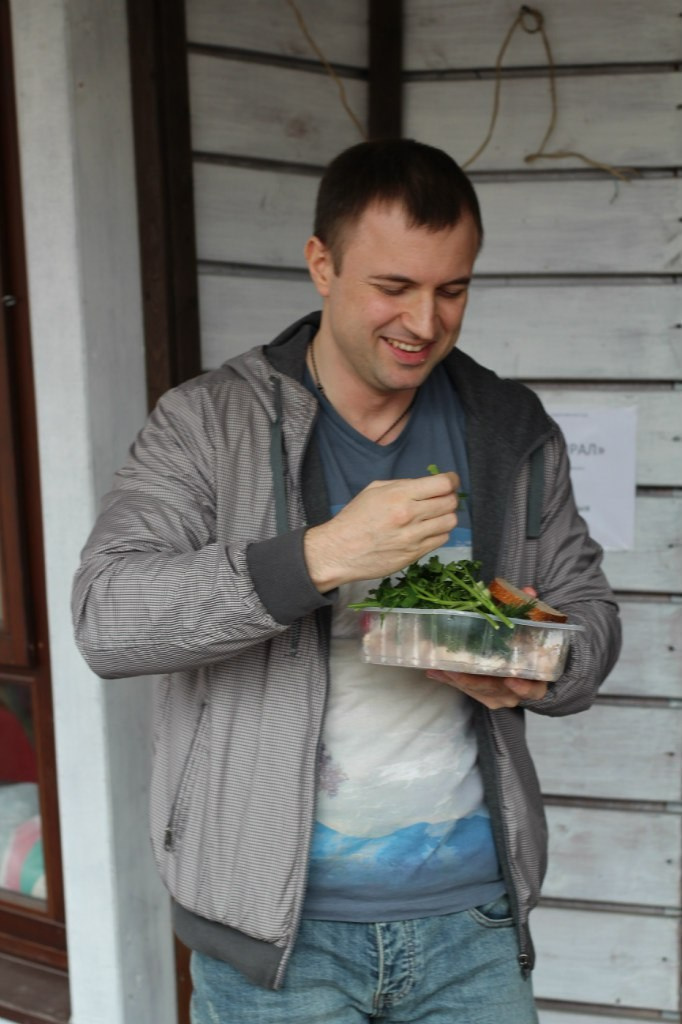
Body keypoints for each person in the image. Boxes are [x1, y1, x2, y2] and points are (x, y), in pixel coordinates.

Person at [72, 139, 621, 1023]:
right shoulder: (207, 422)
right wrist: (321, 555)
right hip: (274, 940)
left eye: (452, 289)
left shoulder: (508, 425)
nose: (425, 322)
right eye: (393, 287)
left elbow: (589, 615)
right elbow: (108, 616)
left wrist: (537, 665)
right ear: (321, 264)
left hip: (474, 924)